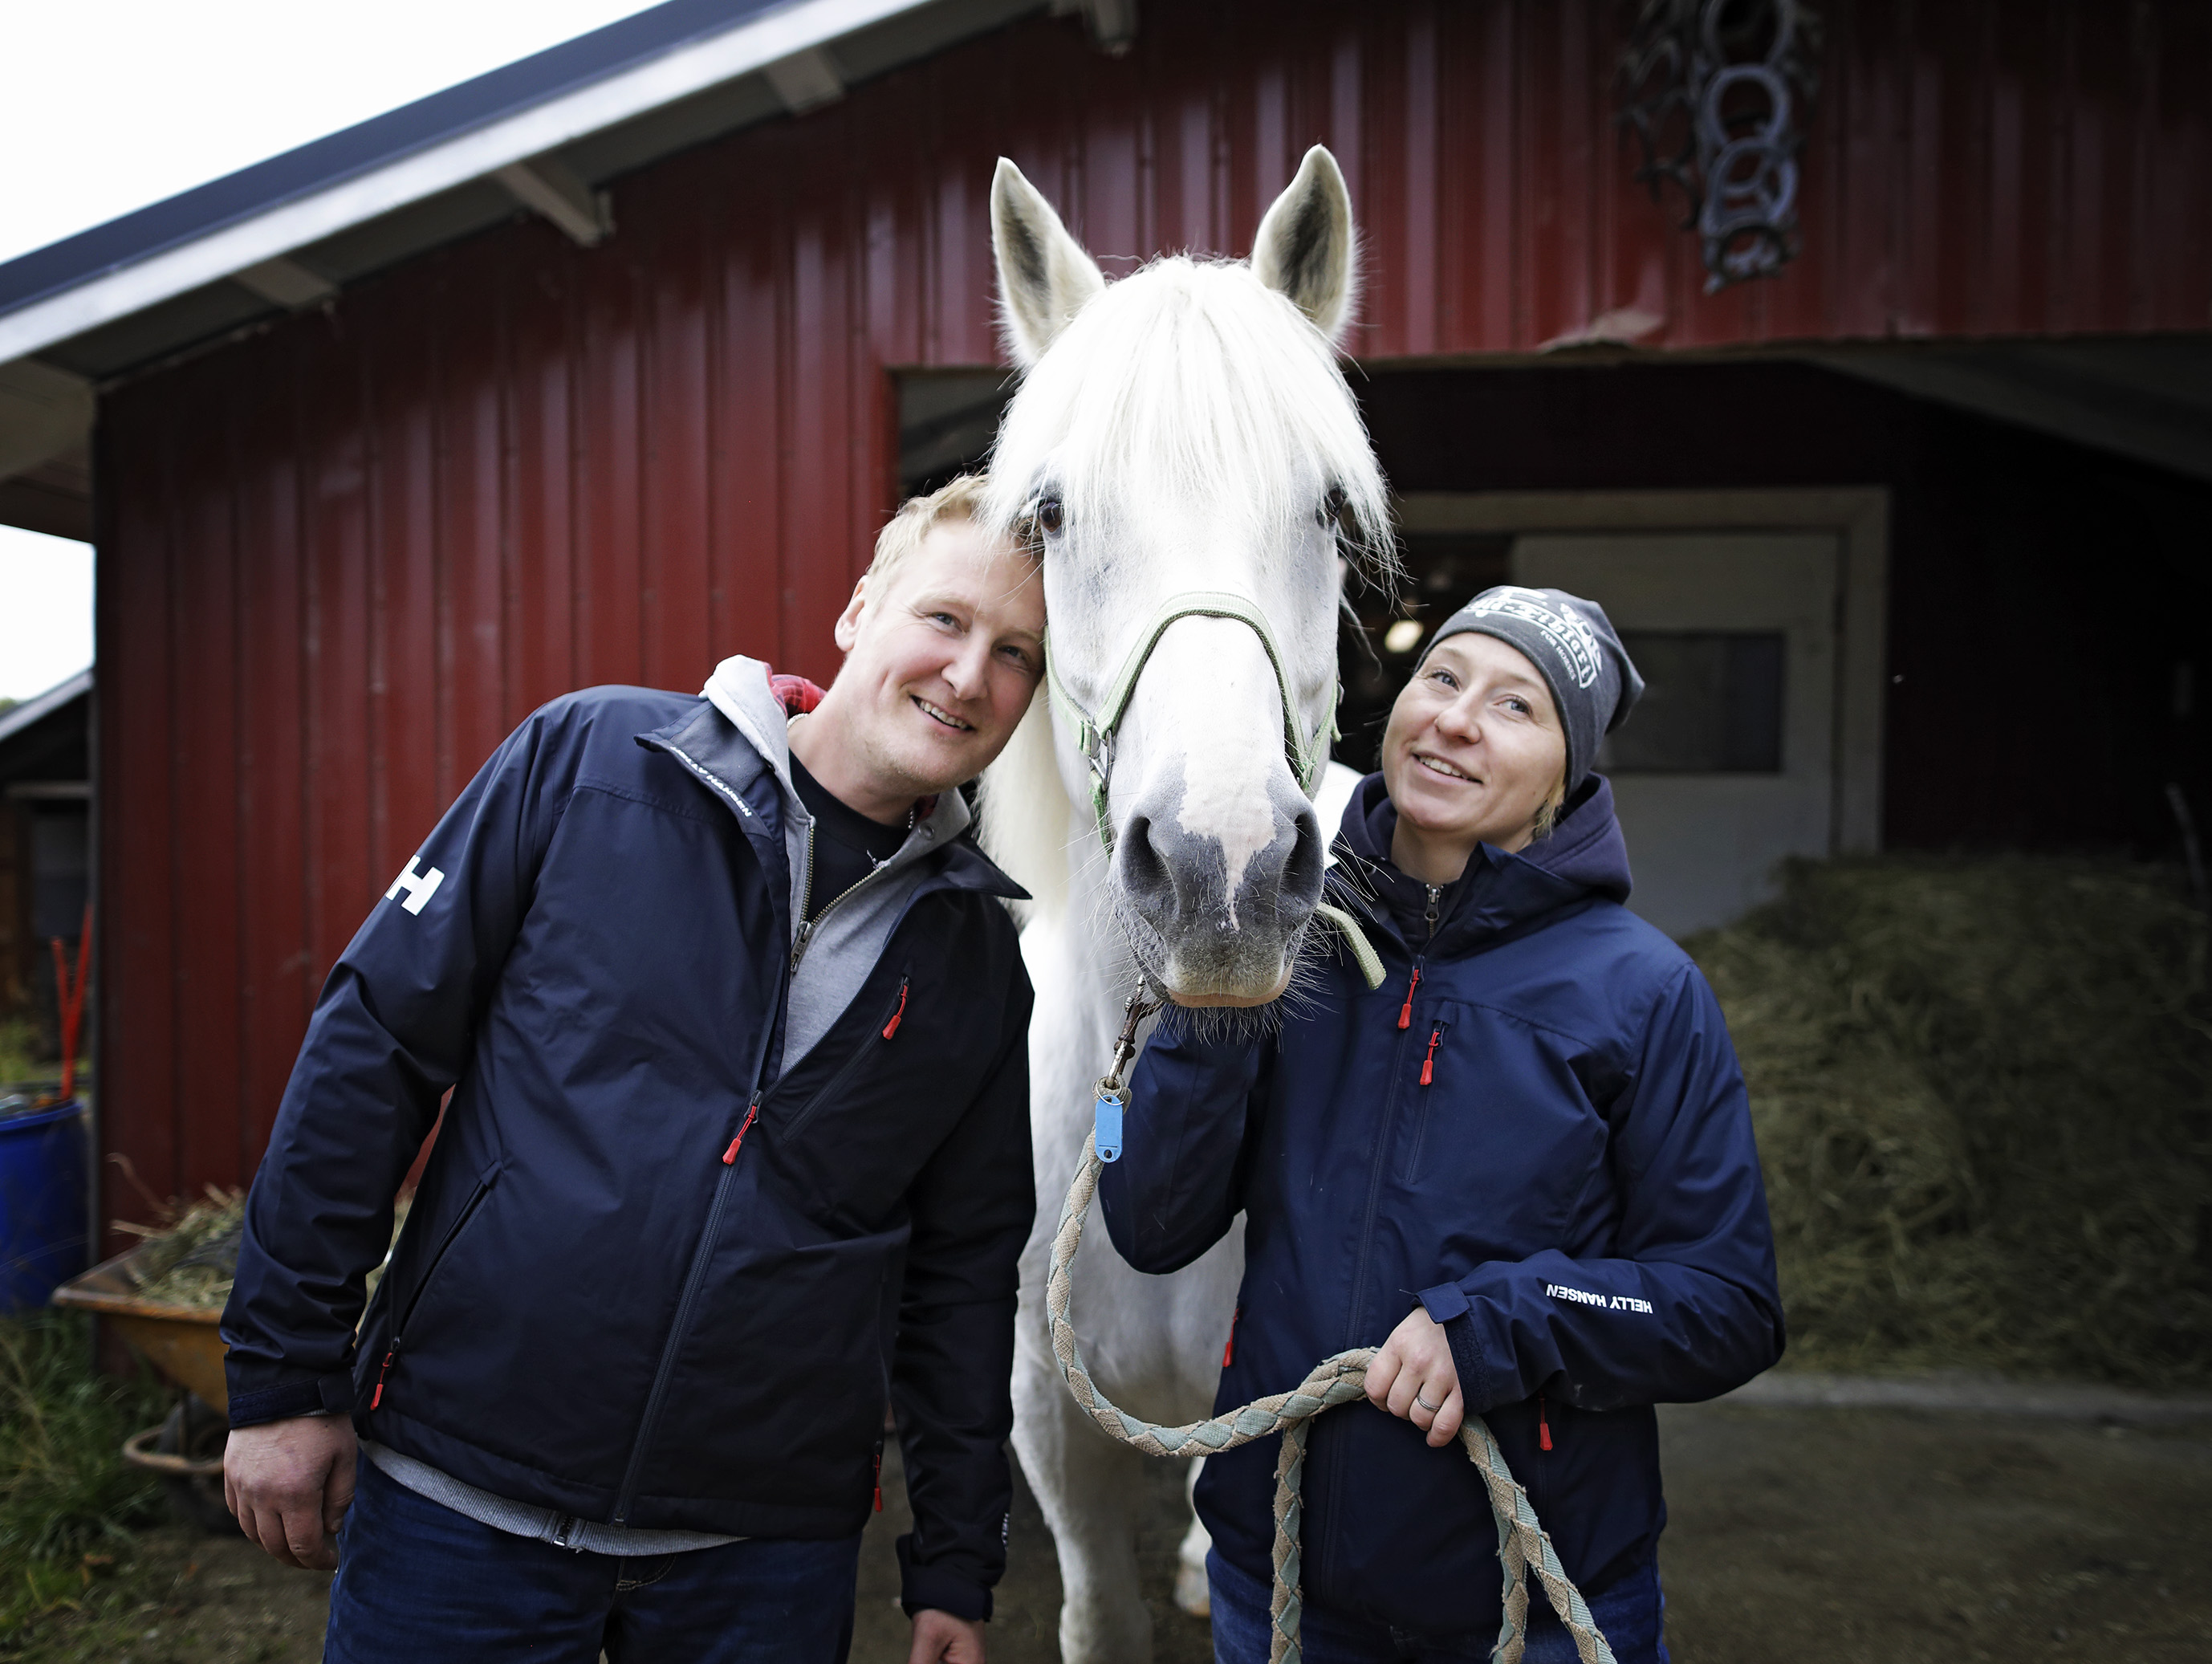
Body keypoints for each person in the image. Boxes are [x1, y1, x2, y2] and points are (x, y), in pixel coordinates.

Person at [219, 474, 1046, 1664]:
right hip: (461, 1505)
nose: (969, 676)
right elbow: (374, 1046)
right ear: (859, 610)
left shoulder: (977, 959)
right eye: (946, 620)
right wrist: (285, 1377)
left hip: (761, 1559)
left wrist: (956, 1564)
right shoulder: (594, 762)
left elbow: (962, 1274)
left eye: (1016, 653)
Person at [1100, 585, 1785, 1664]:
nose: (1457, 719)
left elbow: (1728, 1304)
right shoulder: (1291, 935)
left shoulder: (1644, 993)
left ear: (1567, 777)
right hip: (1277, 1589)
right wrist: (1212, 987)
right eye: (1444, 678)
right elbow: (1151, 1224)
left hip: (1533, 1605)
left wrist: (1507, 1320)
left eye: (1516, 705)